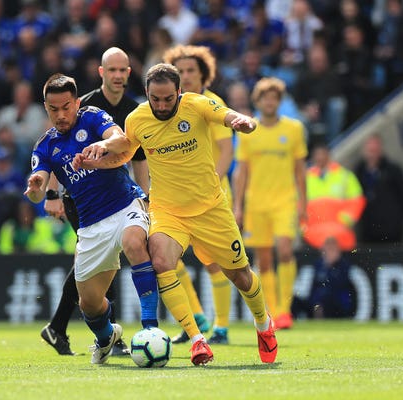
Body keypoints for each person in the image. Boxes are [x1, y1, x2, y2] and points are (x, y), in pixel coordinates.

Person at [75, 63, 278, 364]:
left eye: (168, 99)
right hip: (169, 212)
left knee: (240, 276)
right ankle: (197, 340)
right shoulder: (137, 119)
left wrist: (242, 121)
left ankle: (264, 325)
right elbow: (126, 154)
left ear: (179, 92)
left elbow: (225, 115)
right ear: (147, 94)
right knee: (160, 260)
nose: (162, 105)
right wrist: (96, 163)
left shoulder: (196, 104)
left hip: (211, 209)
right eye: (155, 99)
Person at [25, 73, 159, 365]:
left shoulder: (93, 116)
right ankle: (106, 336)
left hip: (125, 204)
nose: (61, 115)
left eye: (66, 107)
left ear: (76, 102)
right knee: (89, 304)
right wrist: (36, 188)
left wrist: (104, 146)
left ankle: (151, 329)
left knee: (135, 243)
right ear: (46, 107)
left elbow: (120, 139)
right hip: (91, 225)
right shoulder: (44, 146)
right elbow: (38, 188)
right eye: (53, 109)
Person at [162, 44, 234, 344]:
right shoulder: (168, 106)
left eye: (192, 70)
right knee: (167, 258)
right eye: (182, 71)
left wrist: (209, 185)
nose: (187, 76)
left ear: (204, 74)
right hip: (177, 199)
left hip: (209, 196)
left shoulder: (211, 103)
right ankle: (196, 317)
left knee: (215, 263)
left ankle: (221, 327)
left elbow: (227, 152)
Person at [233, 77, 307, 331]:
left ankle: (285, 311)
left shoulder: (294, 129)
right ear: (258, 101)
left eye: (275, 98)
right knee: (263, 260)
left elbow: (300, 169)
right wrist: (239, 206)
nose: (270, 102)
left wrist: (304, 203)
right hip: (257, 202)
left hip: (285, 200)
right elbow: (241, 172)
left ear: (279, 101)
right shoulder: (248, 130)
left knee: (285, 250)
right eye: (266, 98)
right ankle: (273, 311)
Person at [303, 141, 365, 251]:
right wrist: (304, 227)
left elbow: (357, 200)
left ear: (328, 155)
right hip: (313, 236)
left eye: (322, 154)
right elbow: (297, 204)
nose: (320, 157)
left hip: (339, 234)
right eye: (317, 154)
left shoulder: (344, 176)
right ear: (313, 157)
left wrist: (345, 220)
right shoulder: (306, 178)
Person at [353, 134, 403, 245]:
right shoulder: (359, 171)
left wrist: (397, 219)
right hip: (367, 230)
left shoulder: (393, 170)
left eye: (375, 150)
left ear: (380, 150)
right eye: (370, 150)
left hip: (391, 231)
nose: (372, 154)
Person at [307, 236, 355, 319]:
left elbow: (343, 283)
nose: (330, 252)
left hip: (339, 298)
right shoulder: (317, 265)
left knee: (342, 298)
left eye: (333, 249)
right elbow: (313, 286)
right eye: (328, 249)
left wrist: (331, 267)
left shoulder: (344, 265)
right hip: (322, 299)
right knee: (317, 300)